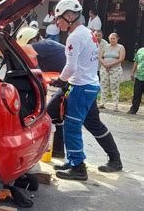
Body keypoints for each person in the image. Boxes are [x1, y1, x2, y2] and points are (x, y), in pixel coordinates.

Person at [16, 27, 122, 172]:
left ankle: (99, 161)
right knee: (90, 122)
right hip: (78, 84)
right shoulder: (43, 51)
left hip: (78, 85)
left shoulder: (45, 45)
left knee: (51, 114)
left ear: (32, 40)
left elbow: (17, 50)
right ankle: (67, 154)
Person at [50, 0, 101, 181]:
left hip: (81, 86)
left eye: (59, 18)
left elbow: (71, 67)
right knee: (73, 124)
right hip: (89, 84)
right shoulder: (87, 33)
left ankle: (78, 167)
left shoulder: (75, 36)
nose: (57, 22)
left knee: (71, 125)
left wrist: (59, 80)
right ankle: (73, 161)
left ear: (70, 15)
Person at [98, 33, 126, 112]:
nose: (112, 40)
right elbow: (100, 56)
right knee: (104, 85)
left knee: (114, 86)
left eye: (114, 38)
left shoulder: (121, 47)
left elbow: (121, 58)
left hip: (115, 69)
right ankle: (102, 103)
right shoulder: (105, 46)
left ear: (117, 39)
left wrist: (110, 64)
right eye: (111, 38)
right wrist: (105, 64)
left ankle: (115, 105)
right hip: (104, 68)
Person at [128, 47, 144, 114]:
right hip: (139, 76)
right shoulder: (140, 50)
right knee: (137, 94)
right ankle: (133, 109)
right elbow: (136, 62)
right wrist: (132, 72)